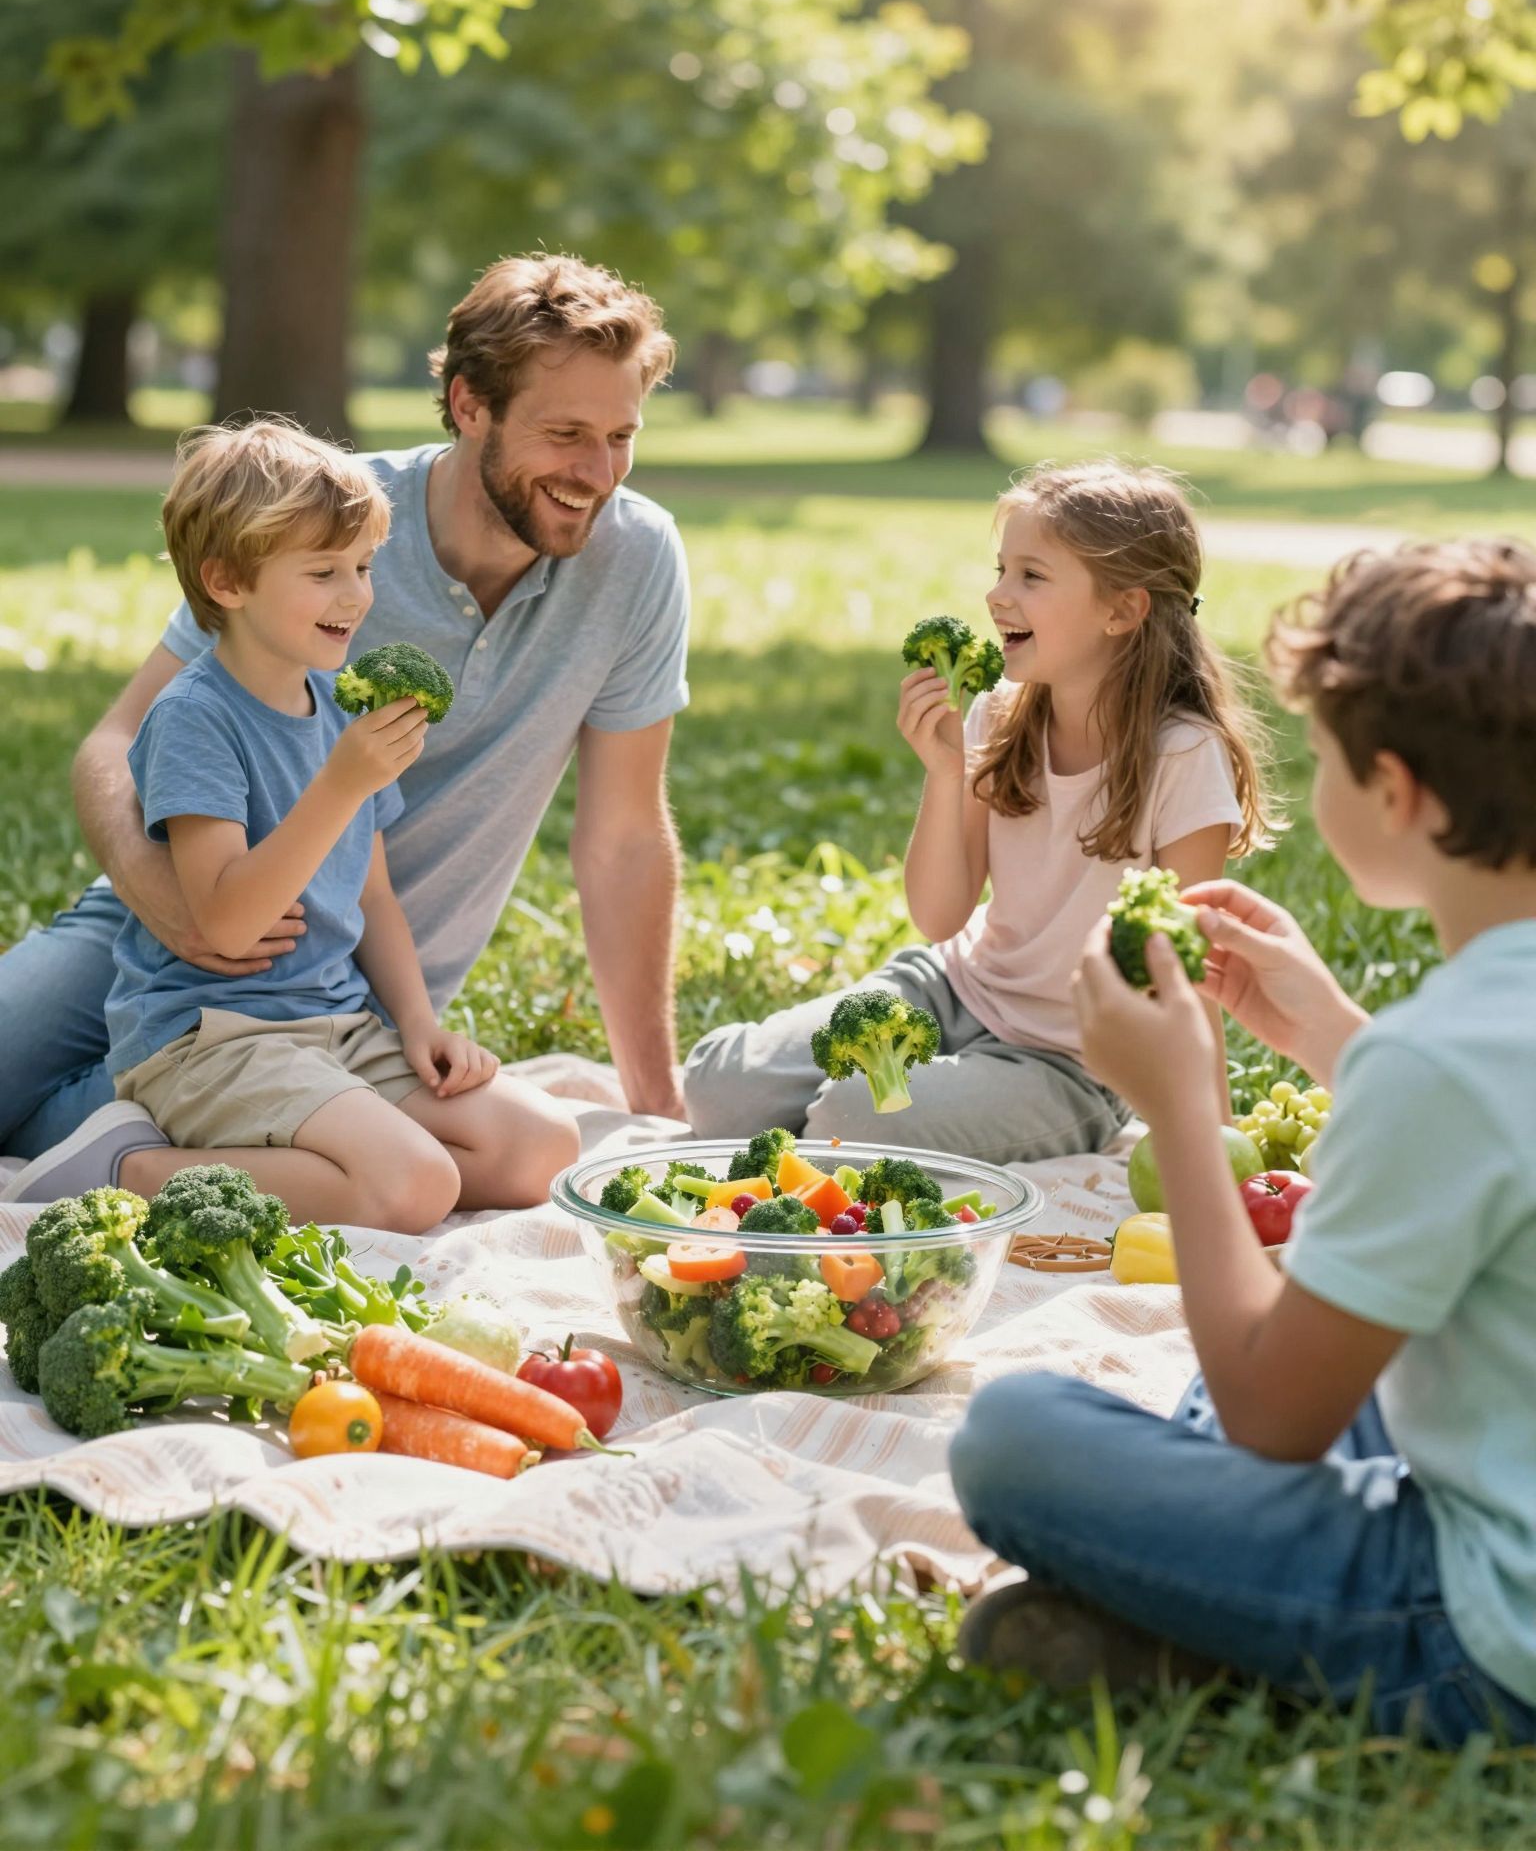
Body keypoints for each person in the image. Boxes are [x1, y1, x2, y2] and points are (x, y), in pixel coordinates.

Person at [949, 539, 1536, 1749]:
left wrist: (1176, 1105)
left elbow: (1274, 1416)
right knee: (1312, 1344)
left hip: (1484, 1624)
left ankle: (1196, 1629)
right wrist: (1330, 1031)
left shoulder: (1443, 1059)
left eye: (1319, 758)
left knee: (1014, 1437)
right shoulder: (1470, 1033)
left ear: (1398, 791)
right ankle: (1185, 1608)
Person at [1, 253, 690, 1196]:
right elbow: (115, 744)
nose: (596, 472)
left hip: (349, 998)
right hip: (173, 931)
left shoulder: (637, 559)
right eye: (565, 432)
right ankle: (101, 1138)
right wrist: (171, 901)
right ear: (468, 405)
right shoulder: (326, 517)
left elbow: (622, 838)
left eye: (621, 435)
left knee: (468, 1163)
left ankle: (99, 1149)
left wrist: (658, 1107)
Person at [43, 420, 581, 1224]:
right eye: (324, 571)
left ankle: (328, 1157)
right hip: (213, 1039)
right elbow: (226, 923)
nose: (358, 595)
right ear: (227, 582)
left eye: (364, 567)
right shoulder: (195, 718)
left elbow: (372, 899)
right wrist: (339, 785)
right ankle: (128, 1168)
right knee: (416, 1187)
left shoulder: (339, 707)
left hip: (338, 1025)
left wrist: (419, 1025)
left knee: (545, 1146)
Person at [683, 460, 1270, 1166]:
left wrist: (1221, 1155)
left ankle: (846, 1140)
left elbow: (1188, 975)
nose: (997, 596)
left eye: (1031, 575)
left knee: (855, 1117)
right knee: (722, 1091)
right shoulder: (997, 712)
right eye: (1001, 570)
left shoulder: (1183, 755)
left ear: (1122, 610)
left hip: (1068, 1062)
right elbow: (939, 918)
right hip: (949, 991)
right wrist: (945, 772)